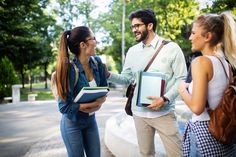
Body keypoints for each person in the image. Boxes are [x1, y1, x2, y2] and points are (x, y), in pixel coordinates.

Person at [105, 9, 187, 157]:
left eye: (137, 26)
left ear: (150, 26)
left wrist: (165, 99)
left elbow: (181, 78)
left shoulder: (171, 48)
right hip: (139, 114)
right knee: (146, 154)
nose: (134, 30)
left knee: (178, 154)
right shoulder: (132, 51)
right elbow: (126, 78)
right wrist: (108, 75)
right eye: (132, 27)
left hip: (164, 113)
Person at [178, 12, 236, 156]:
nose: (190, 37)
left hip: (204, 134)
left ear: (208, 36)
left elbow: (197, 108)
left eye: (193, 33)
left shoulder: (201, 62)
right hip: (222, 133)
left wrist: (182, 89)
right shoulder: (225, 64)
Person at [55, 26, 108, 157]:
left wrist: (99, 102)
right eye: (93, 38)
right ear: (83, 45)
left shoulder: (98, 63)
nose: (96, 42)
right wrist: (90, 106)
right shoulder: (69, 69)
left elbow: (104, 90)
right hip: (72, 123)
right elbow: (64, 107)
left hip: (91, 121)